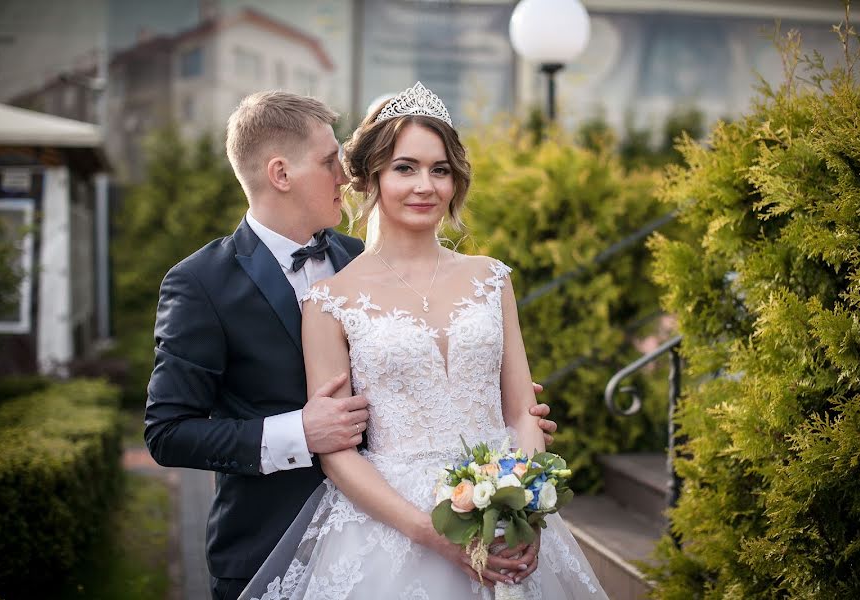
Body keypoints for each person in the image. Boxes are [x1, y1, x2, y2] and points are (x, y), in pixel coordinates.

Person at [143, 90, 558, 600]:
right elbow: (167, 431)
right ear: (280, 174)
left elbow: (429, 367)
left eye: (439, 170)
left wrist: (509, 432)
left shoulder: (362, 257)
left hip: (444, 510)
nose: (345, 174)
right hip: (278, 540)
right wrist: (299, 431)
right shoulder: (201, 283)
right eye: (328, 162)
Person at [240, 83, 606, 599]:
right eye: (404, 167)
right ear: (370, 176)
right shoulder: (328, 301)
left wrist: (526, 512)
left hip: (505, 512)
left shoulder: (492, 278)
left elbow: (523, 412)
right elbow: (337, 454)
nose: (425, 186)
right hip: (392, 527)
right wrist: (431, 534)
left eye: (440, 170)